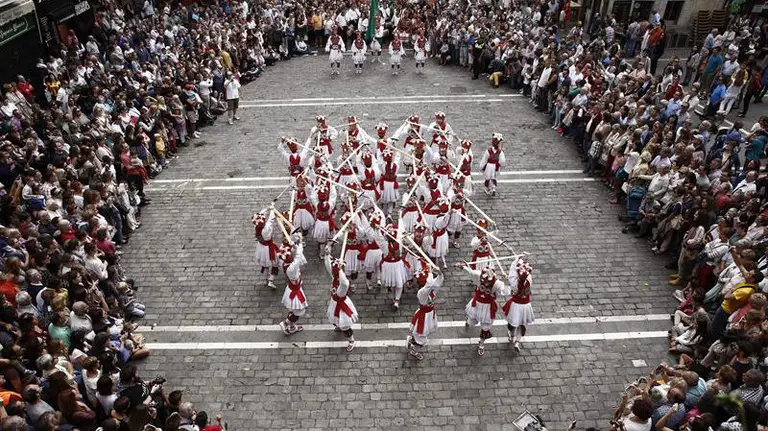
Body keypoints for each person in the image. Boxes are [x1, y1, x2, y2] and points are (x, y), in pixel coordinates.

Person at [459, 263, 512, 356]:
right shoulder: (478, 276)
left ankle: (481, 343)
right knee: (472, 322)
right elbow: (470, 272)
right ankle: (468, 321)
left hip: (488, 307)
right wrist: (463, 267)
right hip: (477, 304)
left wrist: (507, 280)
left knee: (486, 327)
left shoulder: (497, 283)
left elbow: (506, 291)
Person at [324, 246, 358, 352]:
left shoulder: (343, 284)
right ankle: (338, 325)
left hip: (342, 305)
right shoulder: (335, 277)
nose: (333, 272)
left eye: (335, 271)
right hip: (335, 302)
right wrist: (326, 255)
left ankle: (351, 340)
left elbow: (344, 283)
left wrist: (340, 270)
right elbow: (328, 267)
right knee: (334, 319)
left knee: (345, 326)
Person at [407, 268, 443, 360]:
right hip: (423, 317)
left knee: (424, 333)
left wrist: (439, 272)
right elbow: (429, 285)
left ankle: (412, 341)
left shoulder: (431, 291)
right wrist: (430, 271)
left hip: (429, 315)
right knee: (422, 337)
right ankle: (414, 350)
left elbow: (438, 281)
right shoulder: (422, 293)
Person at [277, 235, 308, 335]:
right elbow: (298, 257)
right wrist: (300, 245)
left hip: (292, 287)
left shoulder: (285, 263)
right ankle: (286, 323)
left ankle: (291, 326)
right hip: (295, 290)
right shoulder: (291, 268)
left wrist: (294, 245)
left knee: (294, 308)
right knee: (299, 311)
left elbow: (294, 255)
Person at [502, 256, 534, 353]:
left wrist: (507, 277)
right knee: (522, 324)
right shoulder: (529, 279)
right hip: (525, 305)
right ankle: (517, 342)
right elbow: (520, 279)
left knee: (513, 323)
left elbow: (514, 284)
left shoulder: (515, 283)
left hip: (516, 305)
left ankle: (512, 336)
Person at [252, 211, 279, 290]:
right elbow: (271, 220)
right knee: (275, 263)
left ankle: (266, 279)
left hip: (261, 247)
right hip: (268, 248)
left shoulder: (256, 226)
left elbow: (260, 214)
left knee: (265, 264)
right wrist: (272, 211)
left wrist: (266, 209)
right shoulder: (266, 228)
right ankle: (271, 280)